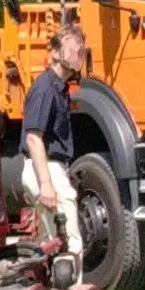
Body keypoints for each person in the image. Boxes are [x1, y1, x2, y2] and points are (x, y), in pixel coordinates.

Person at [19, 24, 88, 269]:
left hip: (48, 169)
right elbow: (33, 139)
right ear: (56, 53)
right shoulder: (46, 89)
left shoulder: (60, 88)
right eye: (71, 48)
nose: (77, 55)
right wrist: (46, 183)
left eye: (80, 50)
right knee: (70, 242)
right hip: (44, 169)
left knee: (55, 244)